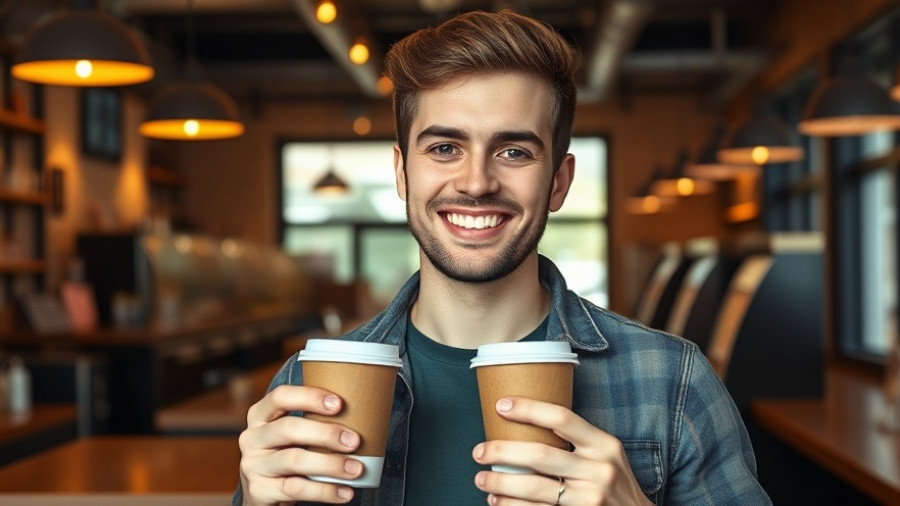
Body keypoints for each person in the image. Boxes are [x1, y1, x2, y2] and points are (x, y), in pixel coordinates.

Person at [235, 9, 771, 506]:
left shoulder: (673, 382)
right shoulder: (304, 388)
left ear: (558, 181)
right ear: (402, 173)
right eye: (444, 148)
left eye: (514, 151)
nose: (476, 182)